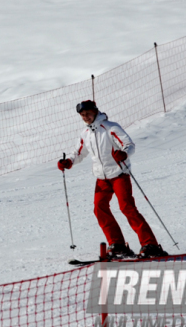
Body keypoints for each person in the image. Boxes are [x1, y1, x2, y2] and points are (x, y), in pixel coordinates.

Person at [58, 100, 167, 259]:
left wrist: (124, 153)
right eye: (82, 115)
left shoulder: (110, 127)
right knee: (99, 208)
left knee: (127, 208)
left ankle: (150, 245)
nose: (86, 117)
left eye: (88, 113)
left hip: (119, 174)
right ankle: (118, 245)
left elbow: (129, 145)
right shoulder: (85, 134)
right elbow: (78, 153)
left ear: (95, 111)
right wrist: (68, 161)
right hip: (101, 177)